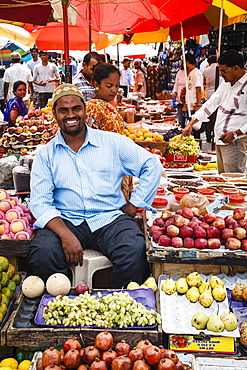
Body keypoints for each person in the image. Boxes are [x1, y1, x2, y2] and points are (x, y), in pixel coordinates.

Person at [28, 83, 162, 288]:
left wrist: (135, 204)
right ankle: (62, 302)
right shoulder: (46, 155)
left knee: (134, 249)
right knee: (42, 252)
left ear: (85, 110)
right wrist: (66, 235)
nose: (70, 115)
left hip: (108, 218)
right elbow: (40, 202)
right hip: (66, 219)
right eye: (63, 110)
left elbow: (151, 164)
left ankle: (117, 303)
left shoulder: (112, 143)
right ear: (54, 113)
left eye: (76, 108)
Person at [182, 49, 247, 174]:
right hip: (220, 138)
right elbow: (211, 104)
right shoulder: (226, 84)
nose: (221, 74)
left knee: (234, 179)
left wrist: (236, 133)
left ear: (236, 68)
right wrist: (191, 124)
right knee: (223, 178)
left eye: (224, 71)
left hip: (235, 141)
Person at [86, 63, 125, 133]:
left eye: (117, 85)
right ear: (96, 84)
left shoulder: (107, 105)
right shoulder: (93, 108)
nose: (114, 90)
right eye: (109, 86)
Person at [180, 53, 203, 138]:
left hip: (194, 104)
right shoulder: (190, 73)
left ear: (187, 62)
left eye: (183, 62)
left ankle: (196, 144)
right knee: (190, 127)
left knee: (195, 128)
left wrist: (198, 104)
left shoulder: (196, 73)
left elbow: (198, 89)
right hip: (190, 104)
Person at [202, 55, 223, 143]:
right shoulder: (219, 70)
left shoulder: (205, 71)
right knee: (216, 117)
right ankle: (215, 135)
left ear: (209, 62)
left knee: (208, 117)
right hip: (218, 95)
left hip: (209, 94)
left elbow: (203, 83)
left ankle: (208, 137)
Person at [172, 63, 186, 127]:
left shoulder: (192, 72)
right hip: (180, 97)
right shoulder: (179, 72)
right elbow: (176, 83)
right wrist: (175, 92)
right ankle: (181, 127)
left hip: (188, 97)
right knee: (180, 116)